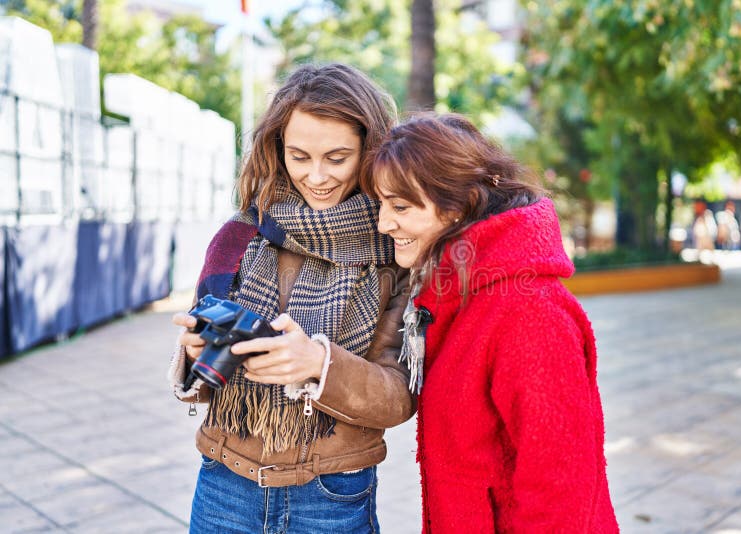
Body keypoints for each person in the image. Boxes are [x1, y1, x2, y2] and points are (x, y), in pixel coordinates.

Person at [168, 63, 414, 534]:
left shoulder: (395, 247)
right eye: (300, 156)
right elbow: (203, 375)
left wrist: (318, 365)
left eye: (337, 158)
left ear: (369, 150)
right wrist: (197, 355)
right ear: (278, 150)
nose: (316, 176)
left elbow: (399, 395)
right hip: (224, 487)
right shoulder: (239, 236)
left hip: (331, 497)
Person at [364, 113, 618, 532]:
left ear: (458, 205)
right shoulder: (458, 295)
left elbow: (560, 487)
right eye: (382, 205)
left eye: (400, 206)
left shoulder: (528, 311)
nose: (383, 222)